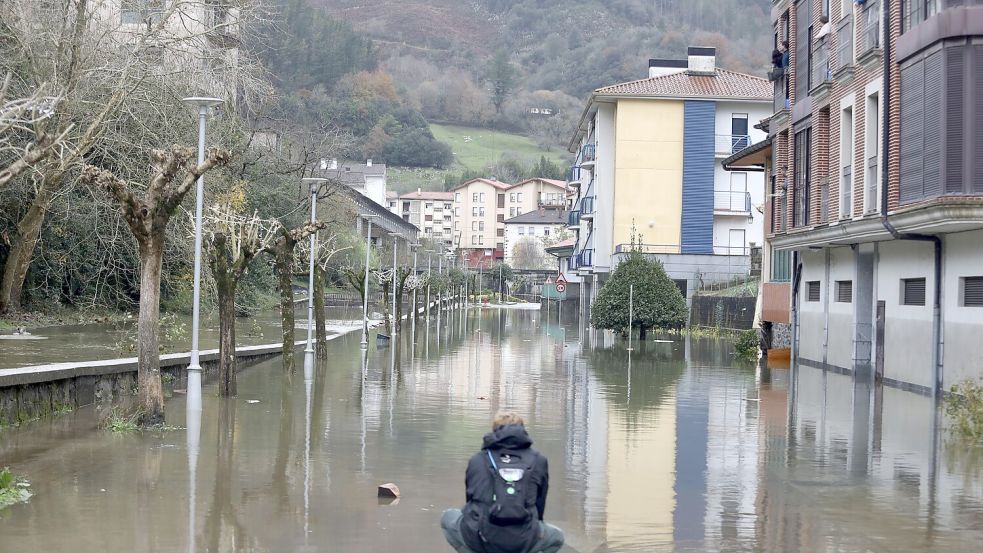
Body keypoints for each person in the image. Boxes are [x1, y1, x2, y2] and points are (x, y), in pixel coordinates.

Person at [441, 412, 565, 553]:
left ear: (494, 431)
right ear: (523, 430)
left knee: (448, 517)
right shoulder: (538, 460)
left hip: (482, 539)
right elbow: (539, 504)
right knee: (557, 537)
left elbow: (471, 501)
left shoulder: (478, 460)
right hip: (524, 540)